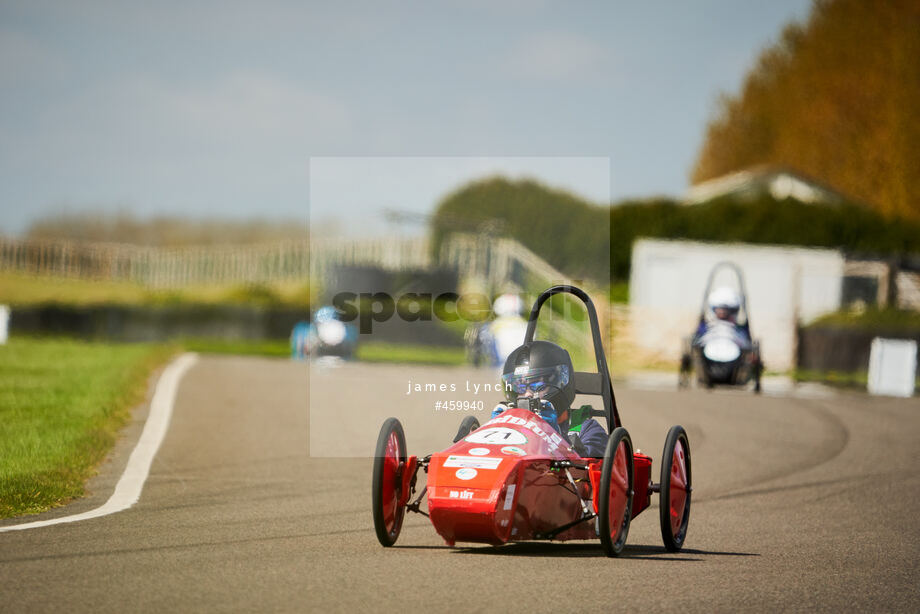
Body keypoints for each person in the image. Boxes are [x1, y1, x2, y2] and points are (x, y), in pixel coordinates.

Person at [491, 340, 608, 457]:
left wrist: (554, 436)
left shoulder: (586, 429)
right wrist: (495, 431)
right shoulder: (512, 428)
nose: (527, 395)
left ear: (560, 383)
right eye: (520, 387)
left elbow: (589, 470)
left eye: (536, 386)